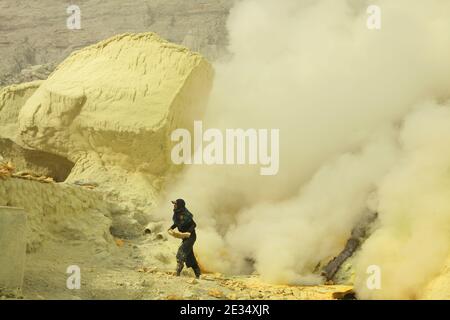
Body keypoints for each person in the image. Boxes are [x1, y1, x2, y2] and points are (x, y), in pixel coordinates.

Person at [167, 199, 201, 278]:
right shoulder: (177, 213)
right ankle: (198, 273)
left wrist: (189, 232)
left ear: (179, 205)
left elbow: (194, 224)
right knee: (190, 256)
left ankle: (177, 272)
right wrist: (171, 228)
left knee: (181, 250)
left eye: (175, 204)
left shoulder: (186, 214)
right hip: (185, 238)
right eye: (174, 204)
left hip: (191, 237)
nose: (174, 205)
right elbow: (177, 223)